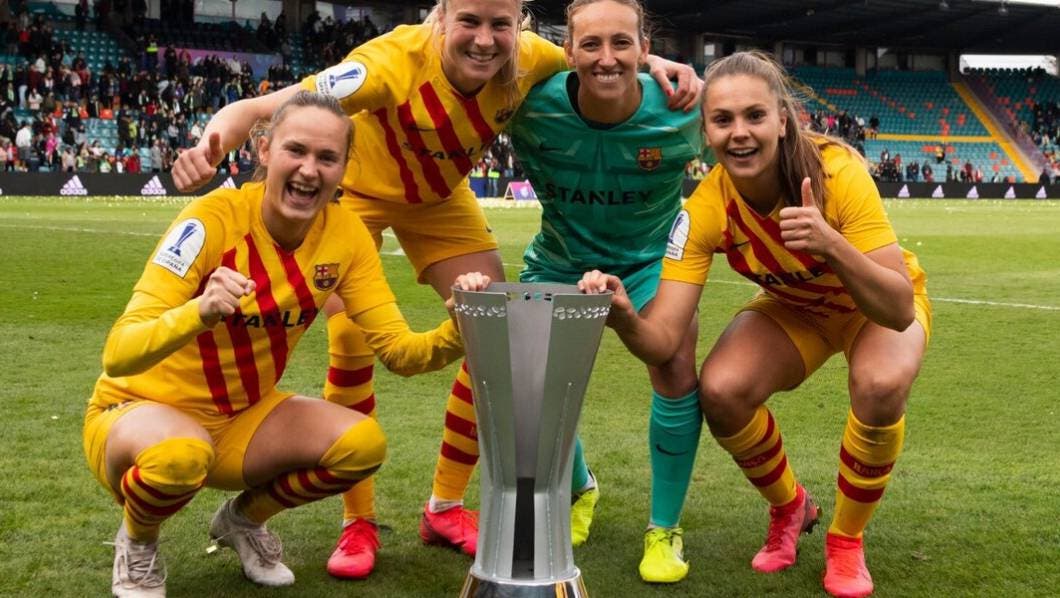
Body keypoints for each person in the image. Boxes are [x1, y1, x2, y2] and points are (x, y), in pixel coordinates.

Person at [169, 0, 701, 580]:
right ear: (441, 18)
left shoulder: (530, 57)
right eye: (469, 21)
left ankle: (444, 507)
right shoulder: (390, 62)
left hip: (439, 201)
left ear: (518, 26)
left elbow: (601, 56)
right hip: (359, 200)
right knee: (351, 343)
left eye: (500, 24)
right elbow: (268, 106)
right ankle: (358, 522)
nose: (485, 39)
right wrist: (214, 138)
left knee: (493, 330)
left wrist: (658, 65)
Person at [84, 91, 482, 597]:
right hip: (135, 412)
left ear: (344, 168)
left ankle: (242, 520)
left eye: (327, 157)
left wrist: (460, 327)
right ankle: (138, 541)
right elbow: (119, 352)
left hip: (241, 419)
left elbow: (401, 354)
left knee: (362, 446)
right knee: (180, 456)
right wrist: (198, 311)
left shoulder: (347, 237)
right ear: (265, 150)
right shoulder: (210, 219)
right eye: (296, 150)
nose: (309, 170)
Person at [580, 51, 931, 598]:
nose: (739, 133)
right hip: (796, 308)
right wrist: (624, 315)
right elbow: (663, 340)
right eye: (722, 120)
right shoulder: (704, 209)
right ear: (706, 132)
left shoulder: (837, 171)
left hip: (870, 307)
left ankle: (845, 540)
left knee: (881, 384)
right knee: (721, 391)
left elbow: (898, 309)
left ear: (782, 121)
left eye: (755, 116)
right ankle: (791, 508)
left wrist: (831, 245)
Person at [428, 0, 702, 583]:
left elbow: (757, 134)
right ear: (567, 51)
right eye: (591, 44)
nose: (607, 58)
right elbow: (450, 78)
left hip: (651, 261)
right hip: (559, 260)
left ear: (644, 49)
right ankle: (579, 488)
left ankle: (664, 528)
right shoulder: (529, 103)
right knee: (525, 380)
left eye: (622, 43)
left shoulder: (684, 110)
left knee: (675, 364)